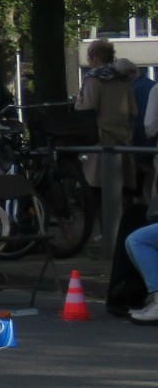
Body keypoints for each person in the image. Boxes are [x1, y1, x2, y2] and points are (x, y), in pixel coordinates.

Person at [76, 39, 141, 256]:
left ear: (93, 58)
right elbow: (134, 109)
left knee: (95, 189)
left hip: (101, 138)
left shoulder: (93, 79)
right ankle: (123, 234)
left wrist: (77, 103)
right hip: (123, 138)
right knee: (122, 190)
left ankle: (107, 236)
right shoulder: (123, 80)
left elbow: (89, 107)